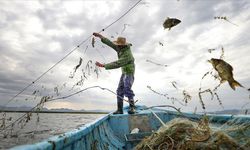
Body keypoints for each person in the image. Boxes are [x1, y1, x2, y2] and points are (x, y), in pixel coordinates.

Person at [93, 32, 136, 114]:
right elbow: (110, 43)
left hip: (129, 72)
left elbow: (118, 63)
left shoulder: (127, 54)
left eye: (119, 45)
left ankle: (132, 107)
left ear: (123, 45)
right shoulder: (119, 47)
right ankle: (120, 110)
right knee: (119, 90)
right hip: (124, 72)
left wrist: (103, 65)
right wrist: (100, 36)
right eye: (117, 45)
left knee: (127, 88)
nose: (117, 46)